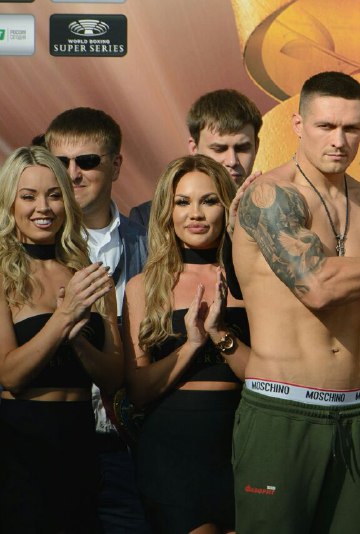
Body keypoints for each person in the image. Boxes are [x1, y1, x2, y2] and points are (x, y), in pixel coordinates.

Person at [231, 71, 360, 533]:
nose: (339, 141)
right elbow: (317, 286)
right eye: (326, 126)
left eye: (352, 128)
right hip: (282, 411)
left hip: (358, 414)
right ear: (298, 125)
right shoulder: (270, 196)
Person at [122, 155, 250, 533]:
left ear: (227, 208)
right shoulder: (144, 287)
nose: (195, 213)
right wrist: (191, 344)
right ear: (167, 210)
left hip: (244, 443)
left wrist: (220, 334)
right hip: (171, 452)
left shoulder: (251, 281)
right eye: (183, 202)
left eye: (209, 201)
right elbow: (138, 391)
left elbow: (265, 378)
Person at [0, 146, 122, 533]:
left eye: (54, 195)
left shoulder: (88, 275)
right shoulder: (3, 274)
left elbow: (114, 377)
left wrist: (79, 343)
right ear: (10, 203)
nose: (44, 207)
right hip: (21, 445)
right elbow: (11, 375)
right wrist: (64, 317)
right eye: (29, 196)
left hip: (80, 441)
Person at [45, 107, 150, 533]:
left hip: (126, 447)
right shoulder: (22, 249)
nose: (73, 174)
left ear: (116, 166)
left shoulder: (151, 245)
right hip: (47, 443)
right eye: (61, 163)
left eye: (87, 161)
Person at [129, 89, 262, 227]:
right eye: (219, 149)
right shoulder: (148, 218)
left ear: (256, 147)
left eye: (242, 149)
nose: (232, 161)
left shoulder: (273, 215)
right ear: (194, 148)